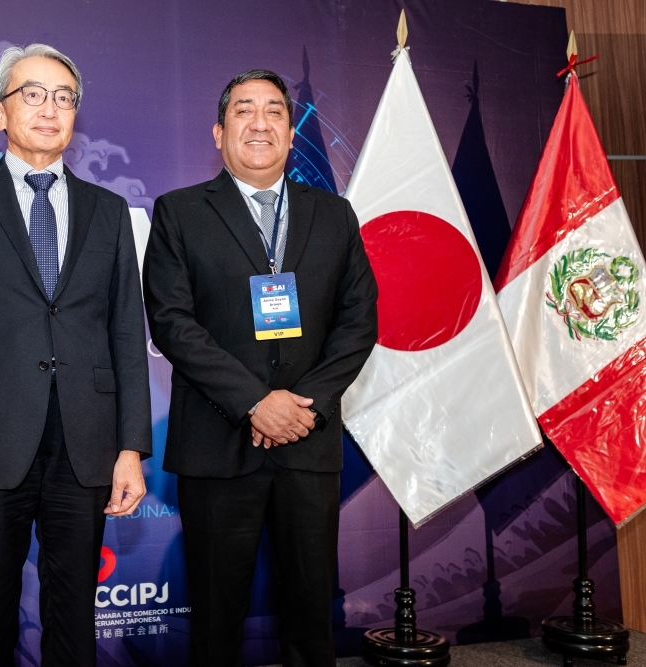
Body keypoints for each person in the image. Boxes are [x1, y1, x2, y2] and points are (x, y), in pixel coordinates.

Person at [0, 44, 152, 666]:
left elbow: (127, 335)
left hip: (86, 443)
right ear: (1, 113)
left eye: (64, 98)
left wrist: (130, 448)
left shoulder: (108, 211)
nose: (50, 109)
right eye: (33, 95)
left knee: (74, 621)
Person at [143, 69, 378, 666]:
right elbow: (172, 322)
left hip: (307, 440)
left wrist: (303, 408)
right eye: (244, 110)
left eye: (274, 111)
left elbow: (358, 323)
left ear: (291, 135)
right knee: (216, 619)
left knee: (311, 614)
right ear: (219, 132)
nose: (260, 123)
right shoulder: (179, 212)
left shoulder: (335, 214)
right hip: (218, 445)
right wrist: (255, 402)